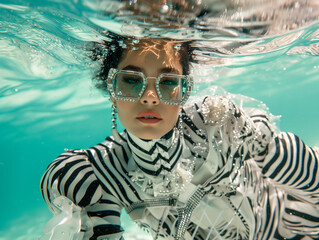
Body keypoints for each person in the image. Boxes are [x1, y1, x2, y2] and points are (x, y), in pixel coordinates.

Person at [40, 37, 319, 240]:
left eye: (168, 82)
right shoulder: (104, 172)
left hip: (294, 223)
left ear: (185, 91)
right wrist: (66, 184)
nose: (149, 97)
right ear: (112, 88)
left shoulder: (216, 124)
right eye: (131, 80)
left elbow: (307, 174)